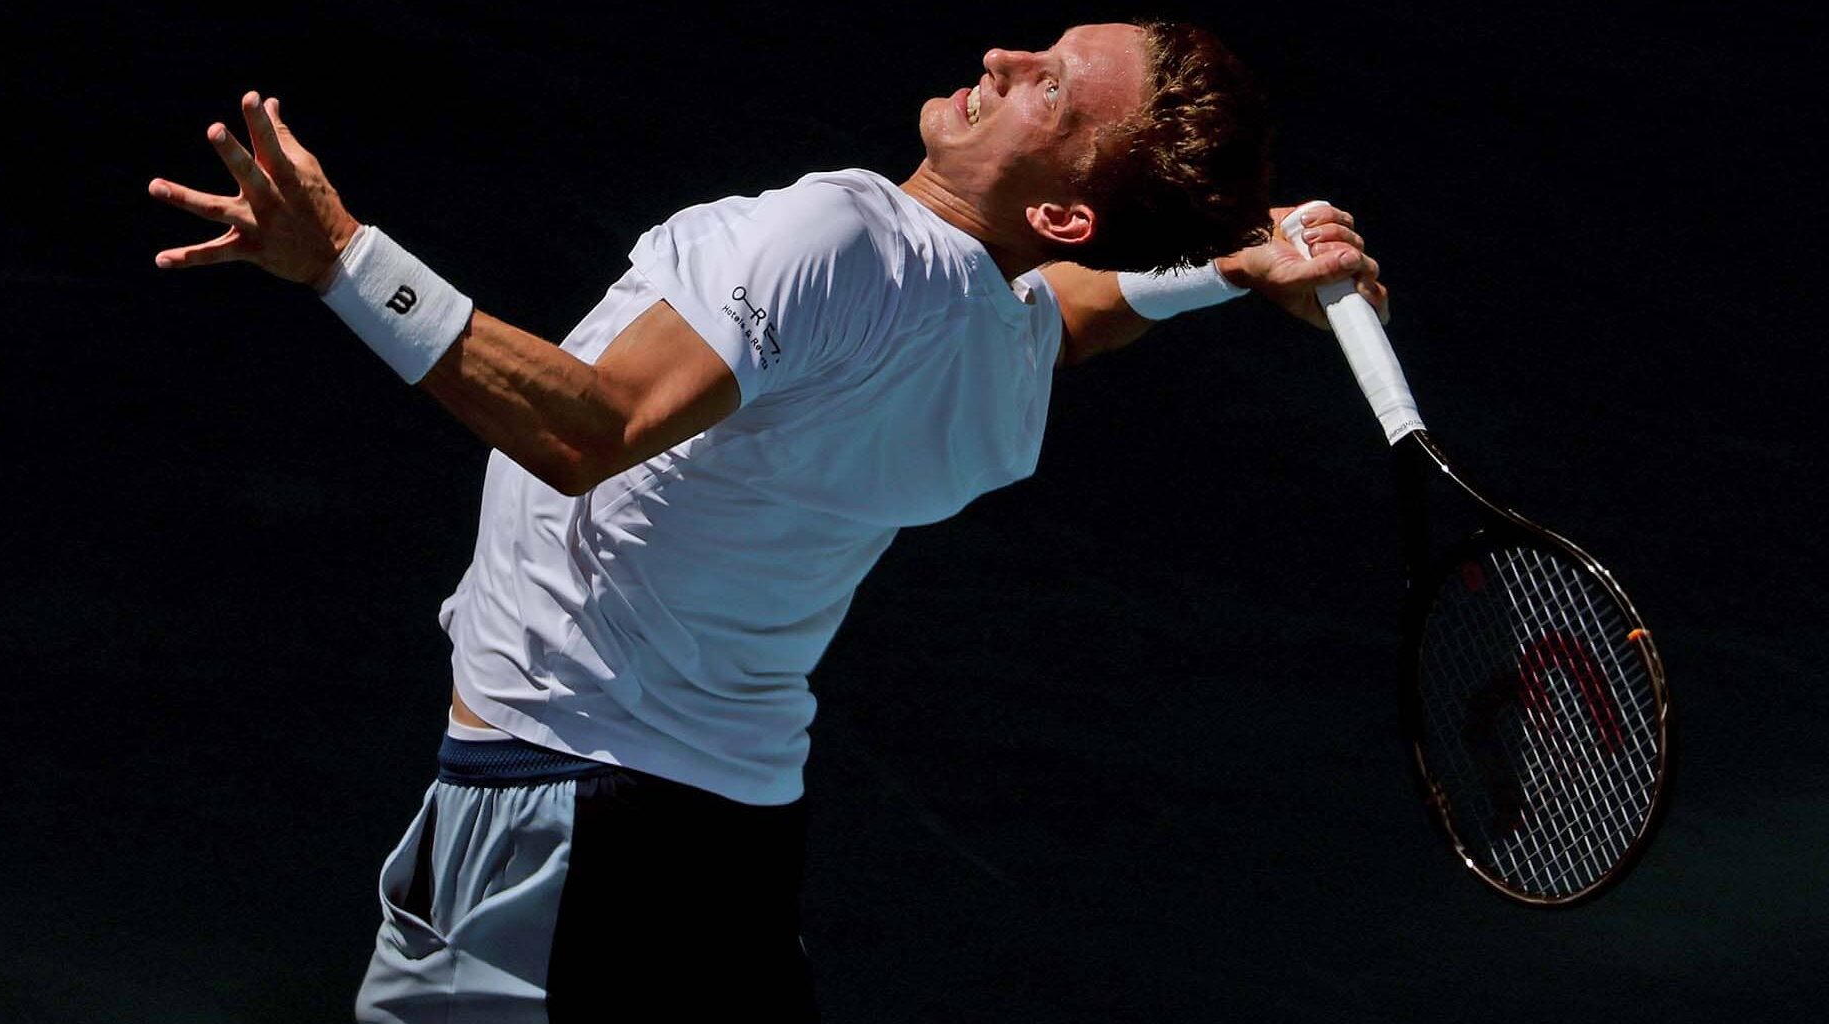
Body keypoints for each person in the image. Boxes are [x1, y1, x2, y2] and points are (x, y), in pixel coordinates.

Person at [149, 20, 1387, 1023]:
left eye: (1048, 89)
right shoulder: (993, 361)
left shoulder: (842, 232)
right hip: (723, 853)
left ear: (1064, 212)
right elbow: (1066, 310)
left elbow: (590, 430)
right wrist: (1222, 269)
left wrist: (346, 264)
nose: (1003, 59)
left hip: (555, 818)